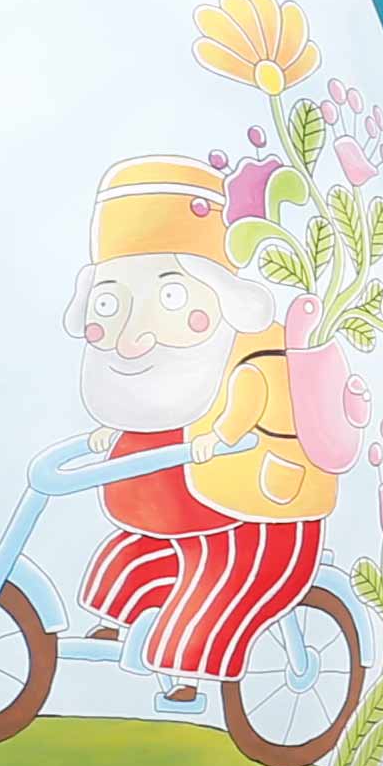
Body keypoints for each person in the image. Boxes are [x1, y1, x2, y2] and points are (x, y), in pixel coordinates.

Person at [66, 154, 330, 698]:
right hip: (178, 504)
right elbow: (156, 410)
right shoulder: (168, 385)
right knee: (135, 549)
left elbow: (256, 398)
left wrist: (225, 434)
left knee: (222, 579)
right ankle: (122, 618)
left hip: (252, 511)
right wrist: (113, 434)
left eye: (170, 296)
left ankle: (186, 671)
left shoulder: (255, 353)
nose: (133, 337)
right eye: (110, 301)